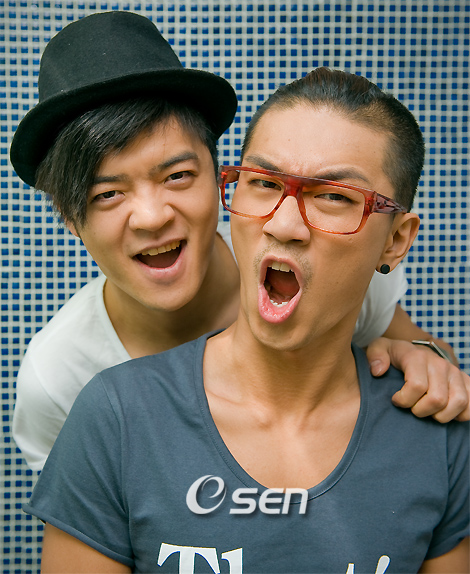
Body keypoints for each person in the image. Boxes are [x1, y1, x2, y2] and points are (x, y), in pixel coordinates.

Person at [23, 68, 469, 573]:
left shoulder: (429, 421)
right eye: (265, 182)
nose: (284, 224)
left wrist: (427, 360)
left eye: (335, 196)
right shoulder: (73, 386)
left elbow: (433, 368)